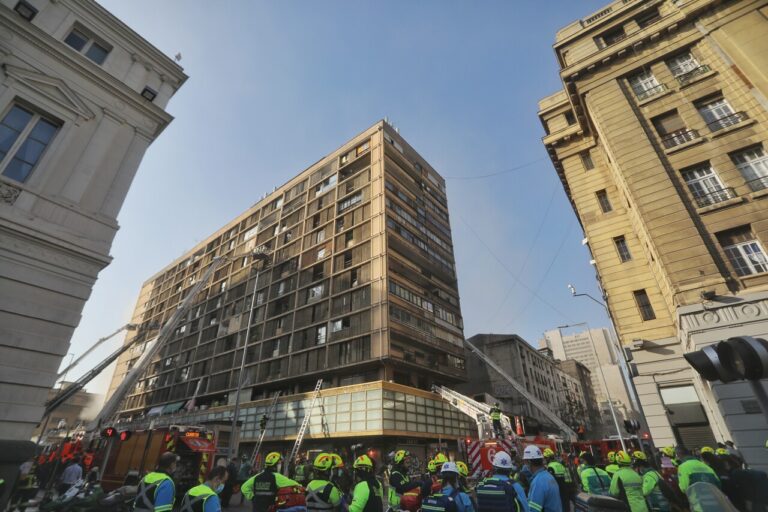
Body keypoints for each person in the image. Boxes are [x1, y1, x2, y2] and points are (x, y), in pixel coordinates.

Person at [523, 446, 561, 512]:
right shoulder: (548, 476)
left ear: (529, 462)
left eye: (525, 462)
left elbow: (533, 509)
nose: (525, 465)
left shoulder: (538, 482)